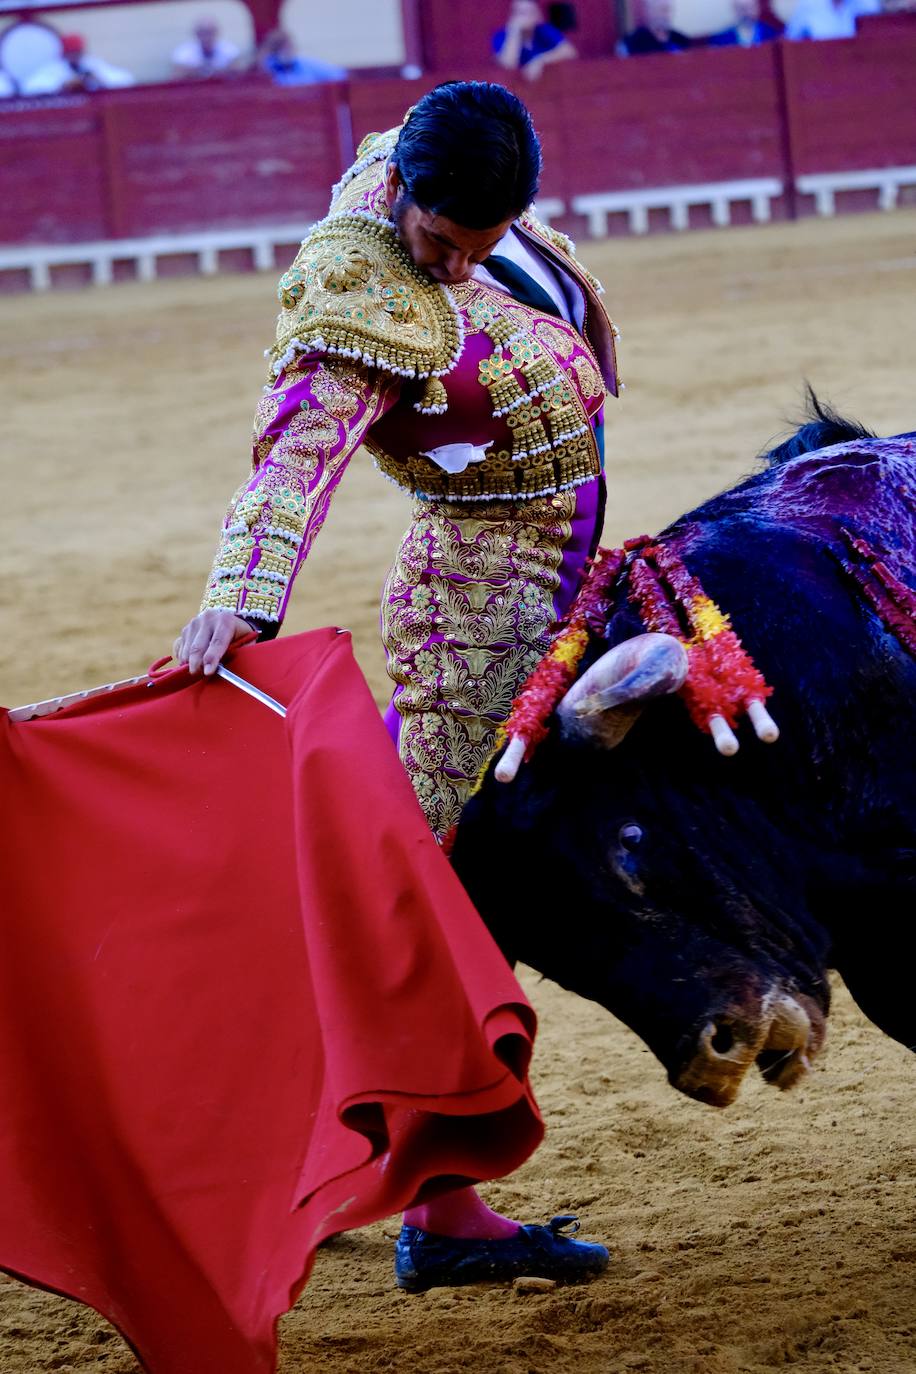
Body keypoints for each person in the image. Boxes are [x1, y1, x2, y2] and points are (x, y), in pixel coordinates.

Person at [175, 80, 620, 1291]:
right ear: (403, 201)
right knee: (434, 888)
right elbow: (295, 457)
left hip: (560, 558)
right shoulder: (358, 290)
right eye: (440, 241)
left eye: (484, 243)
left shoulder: (446, 167)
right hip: (475, 592)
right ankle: (435, 1209)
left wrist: (481, 243)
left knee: (482, 862)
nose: (461, 264)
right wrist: (242, 596)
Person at [22, 32, 134, 94]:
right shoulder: (54, 68)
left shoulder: (92, 64)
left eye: (77, 52)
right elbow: (30, 88)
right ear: (64, 54)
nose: (75, 56)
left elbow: (127, 80)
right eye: (71, 53)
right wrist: (61, 86)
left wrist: (100, 79)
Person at [492, 0, 577, 78]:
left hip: (546, 86)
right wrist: (515, 32)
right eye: (521, 13)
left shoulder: (544, 30)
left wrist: (539, 60)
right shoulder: (501, 36)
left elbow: (570, 52)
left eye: (530, 12)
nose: (525, 18)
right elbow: (508, 65)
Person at [255, 29, 345, 85]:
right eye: (282, 48)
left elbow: (338, 75)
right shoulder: (269, 66)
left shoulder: (305, 63)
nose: (288, 50)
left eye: (289, 47)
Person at [171, 19, 239, 79]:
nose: (206, 36)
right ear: (196, 33)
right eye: (202, 32)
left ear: (216, 32)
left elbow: (236, 72)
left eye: (210, 32)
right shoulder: (183, 52)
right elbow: (176, 76)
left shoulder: (230, 50)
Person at [619, 0, 691, 53]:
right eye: (663, 9)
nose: (667, 15)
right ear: (650, 11)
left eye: (669, 10)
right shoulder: (633, 41)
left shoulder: (681, 40)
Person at [784, 0, 880, 38]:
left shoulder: (867, 4)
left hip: (861, 66)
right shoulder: (809, 4)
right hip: (821, 67)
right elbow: (791, 40)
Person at [707, 0, 781, 44]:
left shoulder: (772, 34)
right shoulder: (722, 39)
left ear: (757, 7)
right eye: (742, 9)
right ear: (735, 9)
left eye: (750, 7)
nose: (746, 13)